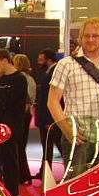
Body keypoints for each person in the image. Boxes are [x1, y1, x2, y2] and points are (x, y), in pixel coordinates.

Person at [48, 17, 99, 178]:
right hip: (78, 137)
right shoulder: (67, 64)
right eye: (86, 36)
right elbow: (53, 101)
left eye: (95, 35)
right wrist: (68, 131)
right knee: (74, 184)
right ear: (80, 38)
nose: (90, 39)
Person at [0, 49, 27, 196]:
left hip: (12, 128)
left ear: (5, 61)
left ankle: (12, 195)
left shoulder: (19, 79)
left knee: (10, 163)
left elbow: (4, 103)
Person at [33, 48, 63, 180]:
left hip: (49, 119)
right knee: (49, 146)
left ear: (48, 59)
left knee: (56, 145)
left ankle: (48, 171)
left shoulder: (53, 73)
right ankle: (45, 171)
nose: (38, 63)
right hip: (48, 118)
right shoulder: (50, 72)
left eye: (41, 60)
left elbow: (52, 99)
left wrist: (49, 120)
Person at [12, 53, 36, 184]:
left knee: (18, 146)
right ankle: (24, 175)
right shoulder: (30, 79)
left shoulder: (20, 79)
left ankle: (22, 175)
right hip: (28, 114)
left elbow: (25, 102)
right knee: (21, 146)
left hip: (22, 115)